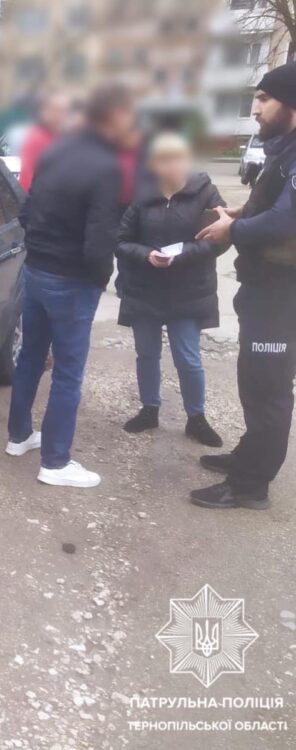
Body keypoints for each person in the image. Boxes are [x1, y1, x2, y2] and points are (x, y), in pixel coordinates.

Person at [6, 83, 135, 488]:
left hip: (37, 270)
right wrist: (101, 278)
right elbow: (100, 238)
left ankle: (19, 436)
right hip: (72, 280)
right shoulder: (106, 165)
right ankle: (55, 462)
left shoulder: (54, 151)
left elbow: (26, 211)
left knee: (30, 356)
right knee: (67, 372)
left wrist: (40, 252)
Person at [191, 62, 296, 510]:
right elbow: (271, 206)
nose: (255, 108)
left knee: (269, 387)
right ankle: (247, 458)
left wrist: (232, 232)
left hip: (281, 292)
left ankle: (251, 486)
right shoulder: (284, 151)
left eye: (264, 99)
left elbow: (288, 219)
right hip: (266, 288)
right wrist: (238, 214)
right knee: (254, 380)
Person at [115, 133, 227, 446]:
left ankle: (197, 418)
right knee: (146, 354)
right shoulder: (142, 195)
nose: (170, 165)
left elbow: (220, 239)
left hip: (188, 290)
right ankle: (149, 409)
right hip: (144, 289)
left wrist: (181, 255)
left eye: (177, 157)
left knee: (188, 358)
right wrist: (146, 255)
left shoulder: (205, 192)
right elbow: (122, 240)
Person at [18, 93, 71, 192]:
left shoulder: (66, 137)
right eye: (56, 110)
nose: (60, 115)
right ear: (44, 112)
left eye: (64, 111)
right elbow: (28, 176)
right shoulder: (37, 137)